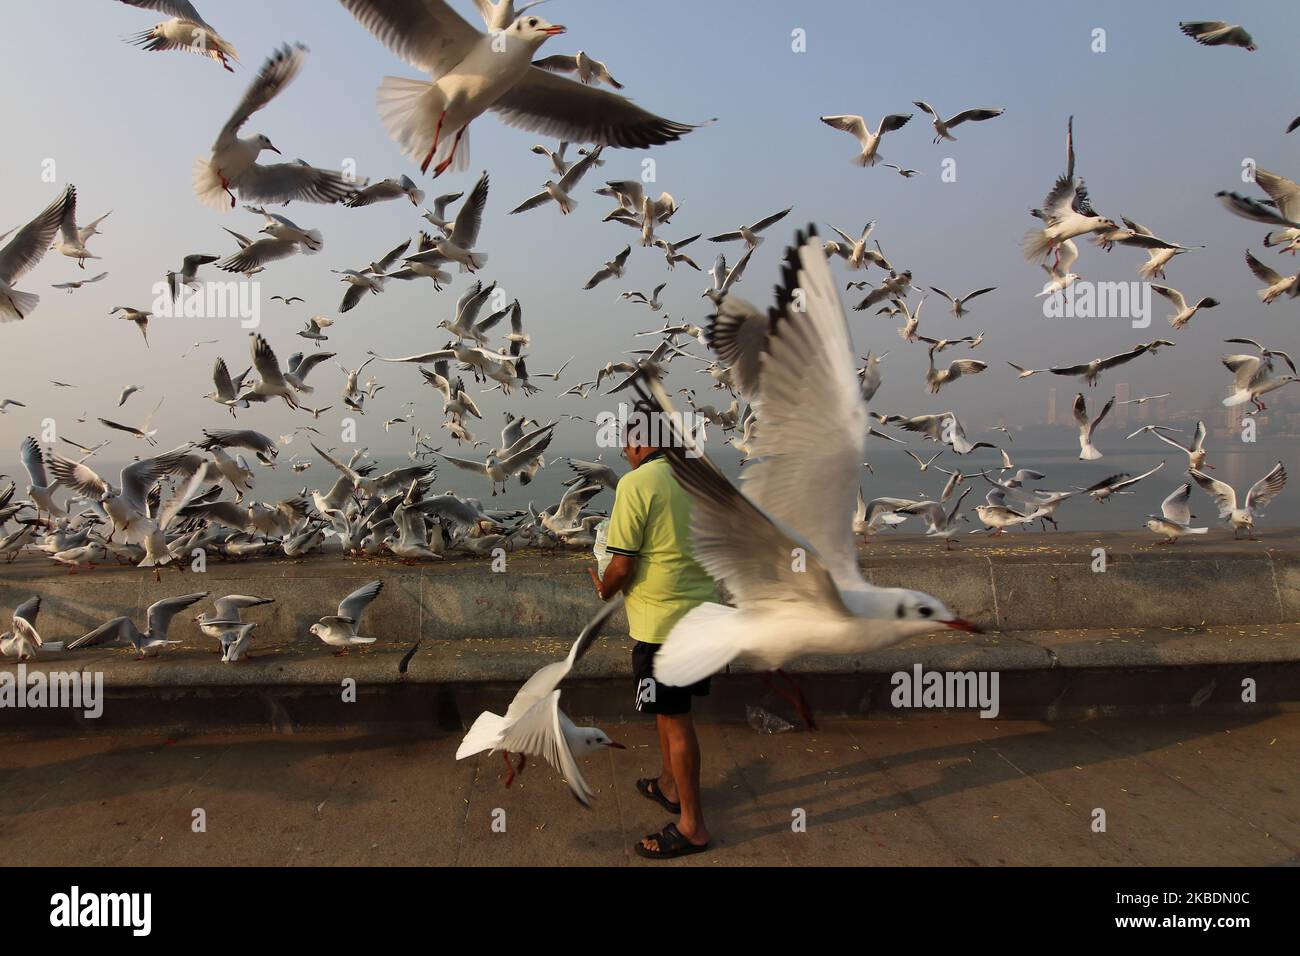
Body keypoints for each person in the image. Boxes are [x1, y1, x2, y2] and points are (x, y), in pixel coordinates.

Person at [588, 408, 717, 859]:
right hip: (701, 616)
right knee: (669, 711)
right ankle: (669, 785)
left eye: (626, 443)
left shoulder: (637, 484)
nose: (624, 452)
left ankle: (692, 826)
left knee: (677, 721)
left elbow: (621, 563)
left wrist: (603, 586)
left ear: (643, 442)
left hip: (663, 626)